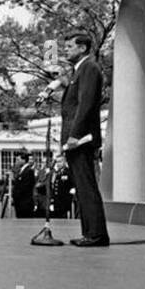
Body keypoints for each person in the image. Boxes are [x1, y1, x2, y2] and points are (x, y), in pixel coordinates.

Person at [60, 31, 109, 246]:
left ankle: (96, 234)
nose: (66, 49)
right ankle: (89, 232)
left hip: (82, 139)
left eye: (70, 46)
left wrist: (74, 135)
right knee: (81, 187)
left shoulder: (89, 68)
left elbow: (86, 104)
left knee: (86, 186)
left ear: (82, 48)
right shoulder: (77, 71)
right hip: (77, 138)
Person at [12, 151, 36, 218]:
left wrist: (16, 195)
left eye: (18, 160)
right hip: (20, 203)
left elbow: (25, 187)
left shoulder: (29, 171)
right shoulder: (21, 171)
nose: (16, 162)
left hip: (25, 204)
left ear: (24, 160)